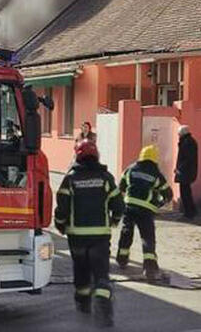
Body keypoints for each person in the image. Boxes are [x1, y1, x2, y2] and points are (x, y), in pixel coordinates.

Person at [54, 139, 124, 328]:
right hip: (100, 236)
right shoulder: (105, 178)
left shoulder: (70, 179)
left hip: (76, 237)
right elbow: (119, 204)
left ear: (78, 155)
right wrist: (115, 219)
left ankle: (83, 303)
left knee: (81, 270)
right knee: (101, 273)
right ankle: (104, 309)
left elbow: (61, 206)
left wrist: (60, 225)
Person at [116, 145, 173, 281]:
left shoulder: (130, 169)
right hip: (146, 210)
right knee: (147, 238)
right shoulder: (156, 174)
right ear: (154, 159)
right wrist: (159, 203)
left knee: (126, 232)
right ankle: (149, 267)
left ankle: (122, 259)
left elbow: (121, 188)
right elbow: (168, 194)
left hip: (129, 207)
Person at [175, 125, 198, 219]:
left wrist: (179, 168)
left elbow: (187, 159)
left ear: (183, 133)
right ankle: (191, 211)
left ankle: (189, 213)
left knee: (185, 193)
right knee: (186, 192)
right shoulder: (188, 141)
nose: (178, 135)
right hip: (186, 171)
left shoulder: (187, 142)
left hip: (185, 172)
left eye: (179, 133)